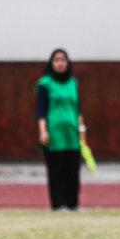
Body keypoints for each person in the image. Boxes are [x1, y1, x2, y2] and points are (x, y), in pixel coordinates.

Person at [36, 48, 85, 211]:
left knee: (73, 170)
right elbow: (41, 110)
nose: (60, 63)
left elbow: (78, 110)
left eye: (63, 60)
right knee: (56, 170)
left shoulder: (73, 83)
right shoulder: (45, 84)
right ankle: (58, 204)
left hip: (72, 134)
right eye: (56, 60)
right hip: (54, 134)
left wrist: (82, 132)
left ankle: (73, 203)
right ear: (51, 63)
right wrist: (43, 131)